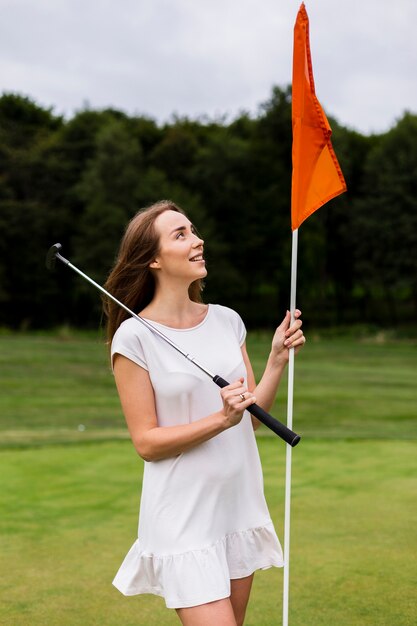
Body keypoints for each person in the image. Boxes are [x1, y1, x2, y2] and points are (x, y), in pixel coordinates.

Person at [103, 200, 305, 626]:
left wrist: (275, 362)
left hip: (237, 507)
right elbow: (147, 443)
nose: (197, 240)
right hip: (183, 520)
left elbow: (250, 417)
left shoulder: (227, 321)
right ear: (153, 259)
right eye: (181, 234)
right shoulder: (133, 338)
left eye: (193, 230)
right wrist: (220, 420)